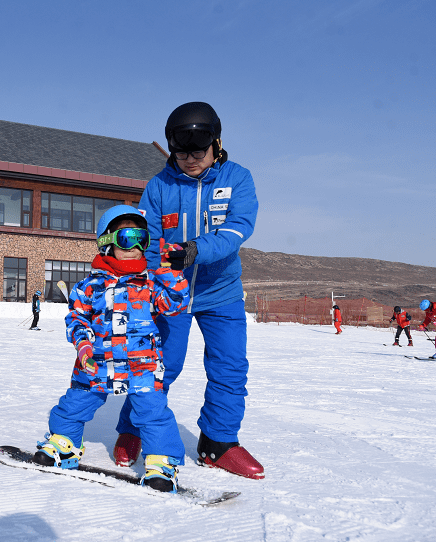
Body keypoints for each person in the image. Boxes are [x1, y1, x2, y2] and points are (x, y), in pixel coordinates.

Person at [113, 101, 264, 480]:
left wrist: (195, 250)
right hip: (170, 292)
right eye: (181, 152)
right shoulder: (160, 186)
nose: (190, 159)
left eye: (199, 151)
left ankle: (218, 441)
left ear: (216, 143)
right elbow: (148, 243)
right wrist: (140, 284)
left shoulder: (237, 178)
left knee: (230, 368)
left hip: (222, 292)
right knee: (162, 365)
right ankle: (133, 428)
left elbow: (237, 228)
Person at [32, 206, 190, 492]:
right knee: (75, 403)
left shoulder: (151, 283)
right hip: (96, 361)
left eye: (142, 239)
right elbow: (77, 318)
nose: (136, 247)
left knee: (153, 412)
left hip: (141, 363)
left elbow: (174, 305)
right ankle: (65, 442)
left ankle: (162, 462)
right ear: (107, 243)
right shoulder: (88, 287)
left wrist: (171, 272)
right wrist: (82, 345)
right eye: (127, 239)